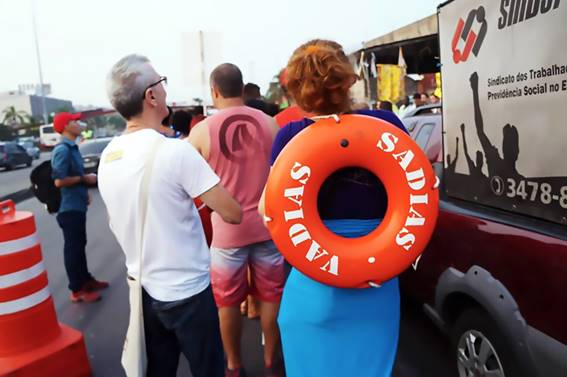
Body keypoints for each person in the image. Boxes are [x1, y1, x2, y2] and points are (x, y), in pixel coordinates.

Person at [259, 39, 407, 377]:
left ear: (297, 88)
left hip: (315, 278)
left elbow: (267, 211)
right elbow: (417, 194)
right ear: (347, 80)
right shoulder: (388, 125)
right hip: (377, 276)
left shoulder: (291, 136)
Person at [98, 54, 242, 377]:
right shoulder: (175, 152)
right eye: (161, 82)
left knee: (158, 370)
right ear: (150, 95)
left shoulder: (108, 156)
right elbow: (232, 213)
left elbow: (114, 220)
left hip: (144, 290)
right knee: (208, 369)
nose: (164, 90)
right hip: (189, 292)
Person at [189, 63, 284, 377]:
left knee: (227, 303)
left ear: (214, 91)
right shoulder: (271, 124)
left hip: (227, 232)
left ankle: (233, 365)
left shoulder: (201, 131)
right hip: (268, 226)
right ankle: (271, 360)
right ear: (243, 89)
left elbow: (188, 181)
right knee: (271, 295)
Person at [51, 112, 107, 303]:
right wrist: (85, 179)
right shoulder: (63, 150)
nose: (79, 124)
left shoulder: (73, 148)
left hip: (77, 204)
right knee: (73, 249)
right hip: (68, 209)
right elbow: (59, 181)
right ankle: (77, 289)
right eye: (75, 121)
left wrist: (84, 193)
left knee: (79, 245)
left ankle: (86, 280)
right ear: (66, 126)